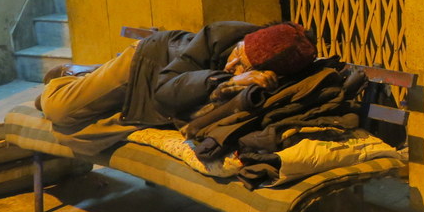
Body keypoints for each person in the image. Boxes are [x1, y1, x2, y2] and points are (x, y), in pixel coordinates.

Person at [38, 21, 316, 157]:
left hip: (166, 102)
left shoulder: (271, 72)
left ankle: (91, 76)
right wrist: (224, 80)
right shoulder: (218, 37)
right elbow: (165, 92)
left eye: (242, 66)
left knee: (74, 134)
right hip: (148, 65)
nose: (232, 64)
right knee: (58, 109)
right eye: (237, 54)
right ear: (244, 40)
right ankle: (71, 75)